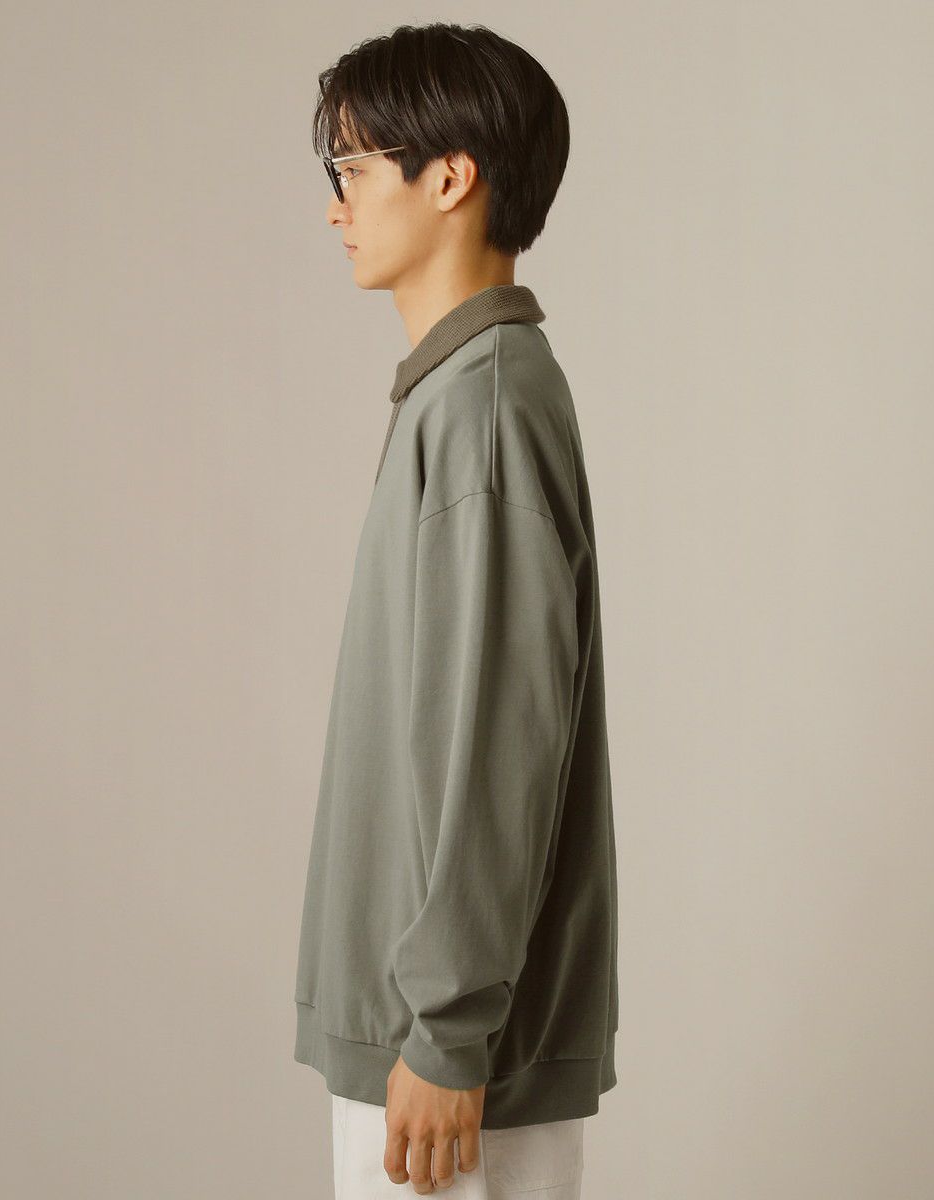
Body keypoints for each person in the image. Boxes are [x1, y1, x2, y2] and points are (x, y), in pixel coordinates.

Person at [294, 21, 619, 1198]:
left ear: (449, 178)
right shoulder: (459, 393)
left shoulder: (481, 408)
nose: (335, 206)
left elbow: (496, 741)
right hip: (428, 1039)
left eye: (352, 168)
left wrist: (445, 1029)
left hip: (442, 1063)